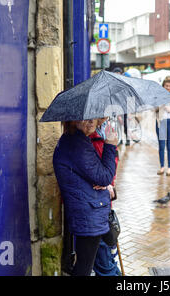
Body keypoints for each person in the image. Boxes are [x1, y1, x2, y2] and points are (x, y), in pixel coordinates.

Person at [53, 119, 117, 276]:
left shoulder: (76, 140)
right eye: (84, 119)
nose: (90, 123)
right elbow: (104, 176)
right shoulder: (77, 144)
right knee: (84, 268)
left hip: (88, 210)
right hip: (88, 213)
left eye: (92, 118)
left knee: (84, 266)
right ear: (72, 121)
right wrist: (110, 145)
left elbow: (96, 176)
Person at [90, 117, 122, 276]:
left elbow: (113, 162)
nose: (104, 115)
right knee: (103, 259)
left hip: (105, 199)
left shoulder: (107, 128)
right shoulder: (88, 132)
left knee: (108, 254)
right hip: (93, 204)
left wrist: (110, 185)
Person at [112, 67, 130, 145]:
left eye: (118, 73)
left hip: (124, 106)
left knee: (125, 124)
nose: (117, 74)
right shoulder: (113, 84)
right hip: (116, 106)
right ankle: (120, 139)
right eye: (116, 73)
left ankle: (128, 139)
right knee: (118, 124)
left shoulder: (124, 82)